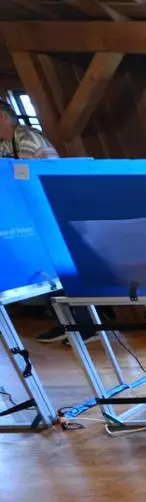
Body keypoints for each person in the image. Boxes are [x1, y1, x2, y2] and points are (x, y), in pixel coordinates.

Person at [0, 99, 92, 343]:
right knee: (45, 272)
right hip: (28, 217)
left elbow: (49, 178)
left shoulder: (31, 141)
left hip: (51, 212)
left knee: (62, 269)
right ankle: (67, 323)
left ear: (2, 117)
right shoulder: (4, 145)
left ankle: (86, 326)